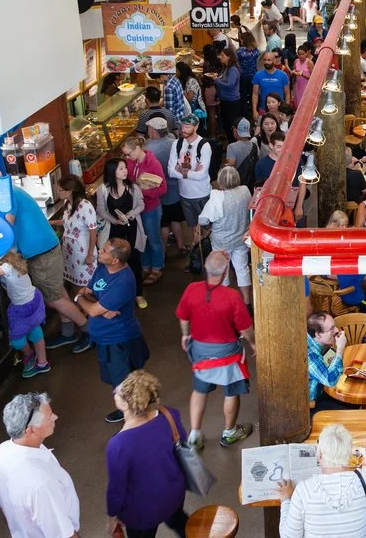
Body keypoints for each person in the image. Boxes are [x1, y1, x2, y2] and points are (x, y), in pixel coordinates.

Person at [0, 166, 90, 352]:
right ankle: (68, 333)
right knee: (58, 292)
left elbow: (6, 228)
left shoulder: (6, 195)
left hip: (41, 253)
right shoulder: (10, 190)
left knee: (54, 299)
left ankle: (89, 331)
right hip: (45, 248)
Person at [177, 250, 255, 450]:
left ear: (205, 267)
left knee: (199, 390)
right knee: (231, 391)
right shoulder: (232, 296)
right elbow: (245, 329)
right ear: (226, 271)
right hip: (228, 354)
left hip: (201, 352)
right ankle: (230, 432)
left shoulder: (192, 289)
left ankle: (194, 435)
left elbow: (183, 317)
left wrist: (185, 335)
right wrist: (254, 344)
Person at [106, 371, 189, 537]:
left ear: (125, 405)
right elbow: (183, 446)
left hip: (142, 512)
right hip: (174, 493)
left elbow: (117, 488)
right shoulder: (169, 414)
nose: (115, 389)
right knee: (178, 521)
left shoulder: (118, 445)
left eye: (119, 391)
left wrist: (112, 514)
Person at [75, 238, 150, 424]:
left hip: (119, 340)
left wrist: (78, 299)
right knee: (119, 381)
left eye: (104, 251)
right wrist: (99, 306)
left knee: (123, 383)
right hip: (105, 337)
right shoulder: (102, 268)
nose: (100, 251)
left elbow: (91, 308)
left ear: (115, 260)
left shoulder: (123, 281)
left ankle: (133, 416)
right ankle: (129, 409)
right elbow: (88, 291)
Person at [0, 393, 80, 538]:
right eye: (49, 417)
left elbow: (3, 507)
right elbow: (64, 535)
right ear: (30, 430)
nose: (55, 417)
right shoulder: (42, 483)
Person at [278, 423, 366, 537]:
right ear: (349, 455)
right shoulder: (364, 479)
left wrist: (286, 500)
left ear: (319, 454)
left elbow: (288, 536)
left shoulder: (303, 490)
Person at [0, 251, 49, 378]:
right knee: (35, 329)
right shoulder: (14, 258)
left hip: (22, 308)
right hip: (34, 299)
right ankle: (43, 363)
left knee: (17, 340)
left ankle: (28, 354)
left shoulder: (6, 267)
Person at [196, 166, 254, 304]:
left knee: (223, 270)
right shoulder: (245, 191)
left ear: (220, 181)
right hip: (241, 238)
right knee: (242, 269)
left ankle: (225, 302)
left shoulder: (217, 197)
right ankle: (247, 303)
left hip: (221, 242)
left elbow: (203, 220)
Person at [95, 157, 147, 308]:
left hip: (132, 228)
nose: (125, 171)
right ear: (113, 172)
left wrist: (129, 215)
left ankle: (138, 294)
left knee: (134, 260)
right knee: (112, 262)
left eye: (125, 168)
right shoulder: (103, 190)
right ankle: (113, 295)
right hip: (113, 230)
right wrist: (114, 220)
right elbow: (101, 210)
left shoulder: (133, 188)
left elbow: (141, 205)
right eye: (121, 168)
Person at [54, 174, 97, 351]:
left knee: (84, 292)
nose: (58, 192)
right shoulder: (68, 204)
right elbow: (66, 222)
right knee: (74, 290)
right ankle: (84, 325)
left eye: (61, 190)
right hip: (70, 255)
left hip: (82, 255)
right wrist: (50, 222)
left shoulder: (85, 206)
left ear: (70, 190)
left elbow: (93, 231)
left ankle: (92, 330)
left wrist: (90, 255)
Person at [121, 135, 167, 287]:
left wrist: (142, 192)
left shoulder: (153, 164)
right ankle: (146, 266)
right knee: (142, 239)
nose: (127, 158)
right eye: (125, 155)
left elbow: (163, 189)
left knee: (154, 240)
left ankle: (157, 268)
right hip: (136, 209)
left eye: (129, 154)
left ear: (137, 148)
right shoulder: (130, 162)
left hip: (151, 208)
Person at [167, 115, 213, 255]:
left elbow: (202, 175)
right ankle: (199, 255)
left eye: (187, 127)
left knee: (206, 227)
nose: (183, 130)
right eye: (182, 126)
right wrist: (191, 172)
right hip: (185, 194)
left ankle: (208, 253)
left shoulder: (204, 145)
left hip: (202, 194)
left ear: (196, 127)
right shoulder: (177, 144)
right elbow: (170, 171)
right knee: (193, 227)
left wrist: (181, 170)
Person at [144, 118, 187, 255]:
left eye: (149, 128)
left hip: (159, 192)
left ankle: (163, 252)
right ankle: (181, 247)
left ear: (154, 131)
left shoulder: (148, 148)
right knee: (176, 219)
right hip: (176, 188)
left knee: (163, 223)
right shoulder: (173, 142)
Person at [306, 311, 348, 412]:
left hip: (322, 387)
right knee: (351, 404)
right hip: (312, 403)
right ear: (318, 334)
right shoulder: (310, 355)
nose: (337, 330)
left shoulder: (311, 340)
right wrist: (340, 350)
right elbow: (331, 381)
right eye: (331, 329)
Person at [292, 41, 314, 106]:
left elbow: (313, 78)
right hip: (298, 85)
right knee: (298, 103)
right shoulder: (296, 61)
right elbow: (295, 70)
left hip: (307, 86)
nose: (300, 56)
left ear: (306, 53)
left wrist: (303, 75)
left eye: (302, 54)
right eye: (299, 54)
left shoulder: (310, 63)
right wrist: (294, 72)